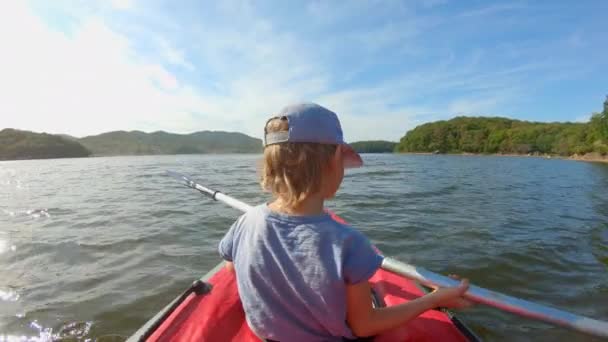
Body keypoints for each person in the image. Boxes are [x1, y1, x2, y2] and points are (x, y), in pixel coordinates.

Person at [219, 103, 471, 341]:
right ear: (334, 161)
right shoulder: (348, 243)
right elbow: (364, 326)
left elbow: (233, 269)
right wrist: (432, 300)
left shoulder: (244, 223)